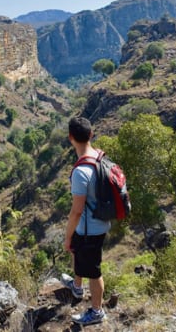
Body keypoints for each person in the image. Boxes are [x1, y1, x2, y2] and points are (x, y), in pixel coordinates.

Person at [63, 116, 111, 326]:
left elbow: (76, 211)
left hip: (89, 228)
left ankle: (97, 311)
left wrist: (67, 236)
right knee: (80, 256)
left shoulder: (81, 172)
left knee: (94, 272)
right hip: (99, 223)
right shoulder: (100, 157)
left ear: (70, 138)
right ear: (91, 135)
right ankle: (76, 287)